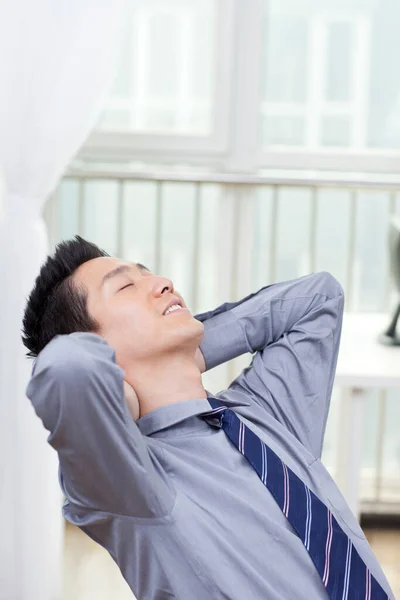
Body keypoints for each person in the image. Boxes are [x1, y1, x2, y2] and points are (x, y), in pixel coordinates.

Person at [23, 235, 394, 600]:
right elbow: (65, 368)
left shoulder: (261, 414)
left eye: (148, 272)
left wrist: (189, 350)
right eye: (125, 287)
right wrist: (124, 393)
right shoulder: (130, 483)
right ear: (98, 347)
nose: (162, 283)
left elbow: (319, 298)